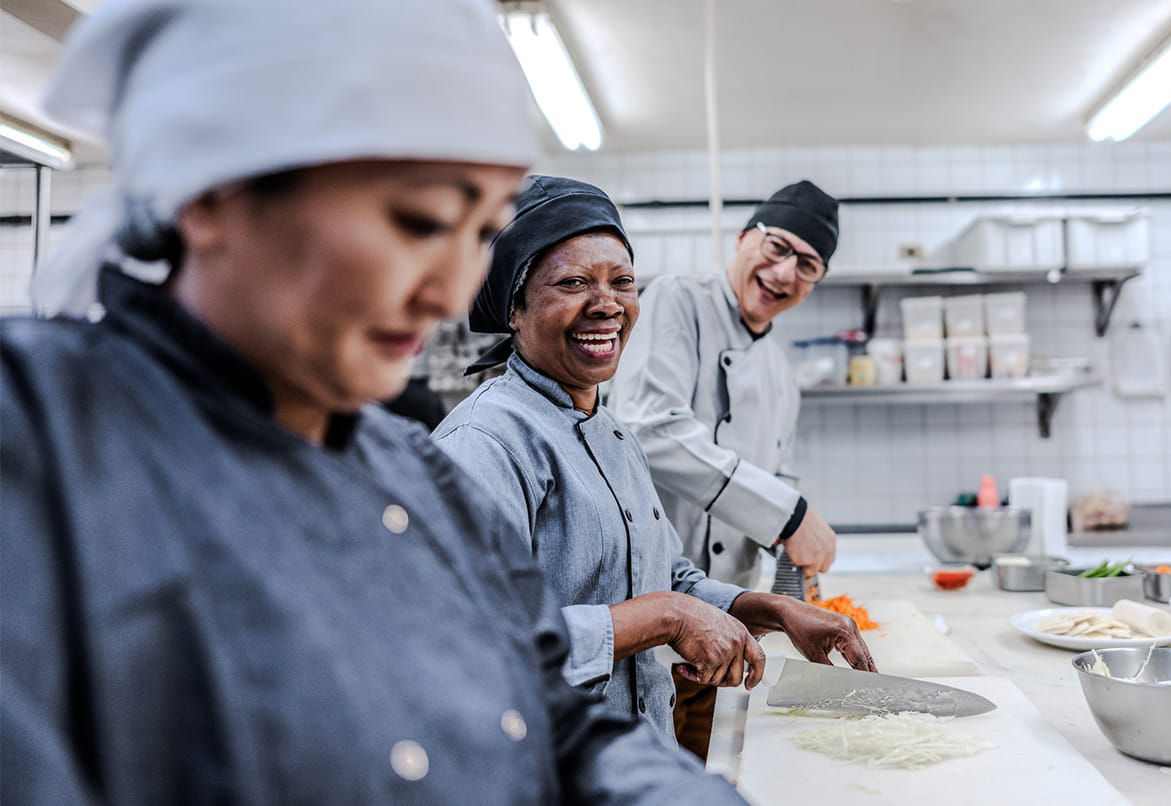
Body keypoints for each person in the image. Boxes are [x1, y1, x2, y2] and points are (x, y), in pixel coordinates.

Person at [0, 2, 748, 802]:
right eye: (420, 222)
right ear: (214, 195)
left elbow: (550, 713)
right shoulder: (40, 444)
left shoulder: (414, 476)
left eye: (479, 235)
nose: (450, 294)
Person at [432, 176, 875, 745]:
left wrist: (771, 610)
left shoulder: (614, 435)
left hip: (638, 752)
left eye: (622, 282)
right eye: (572, 282)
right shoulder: (486, 442)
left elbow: (668, 575)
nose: (608, 304)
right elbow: (469, 640)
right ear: (513, 308)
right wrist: (667, 617)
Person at [608, 180, 845, 756]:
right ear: (742, 239)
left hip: (721, 637)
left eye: (808, 265)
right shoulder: (677, 300)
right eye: (778, 247)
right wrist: (790, 516)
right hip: (643, 624)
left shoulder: (781, 373)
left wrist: (793, 581)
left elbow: (777, 479)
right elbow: (649, 428)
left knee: (705, 773)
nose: (785, 272)